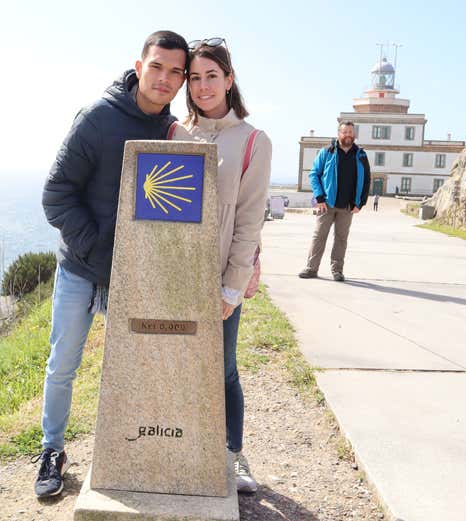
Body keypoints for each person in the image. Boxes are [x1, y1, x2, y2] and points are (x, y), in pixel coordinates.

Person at [36, 30, 189, 499]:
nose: (164, 79)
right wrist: (101, 254)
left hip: (138, 278)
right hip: (82, 269)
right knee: (63, 363)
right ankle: (51, 449)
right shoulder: (97, 119)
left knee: (137, 366)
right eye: (157, 67)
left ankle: (135, 449)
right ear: (138, 66)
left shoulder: (172, 132)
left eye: (175, 72)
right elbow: (56, 197)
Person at [171, 37, 272, 493]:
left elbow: (250, 219)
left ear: (229, 81)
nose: (203, 85)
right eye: (194, 77)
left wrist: (233, 285)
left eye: (212, 76)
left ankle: (234, 454)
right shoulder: (174, 133)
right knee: (175, 363)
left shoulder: (254, 140)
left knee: (224, 365)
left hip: (219, 277)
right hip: (175, 274)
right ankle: (182, 446)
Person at [299, 121, 370, 282]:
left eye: (351, 132)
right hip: (327, 204)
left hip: (348, 207)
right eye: (345, 132)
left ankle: (337, 271)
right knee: (319, 237)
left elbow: (366, 180)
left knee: (341, 239)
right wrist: (320, 197)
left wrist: (361, 203)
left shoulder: (361, 155)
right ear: (339, 133)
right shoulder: (327, 152)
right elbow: (314, 174)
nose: (348, 135)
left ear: (354, 135)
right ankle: (311, 268)